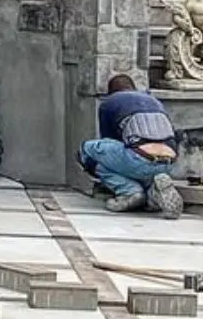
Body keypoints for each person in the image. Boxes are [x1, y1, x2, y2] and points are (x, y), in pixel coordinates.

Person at [78, 75, 185, 217]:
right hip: (168, 162)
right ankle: (153, 192)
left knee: (87, 151)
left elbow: (109, 140)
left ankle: (129, 191)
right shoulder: (154, 101)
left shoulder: (110, 102)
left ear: (111, 92)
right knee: (136, 154)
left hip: (139, 159)